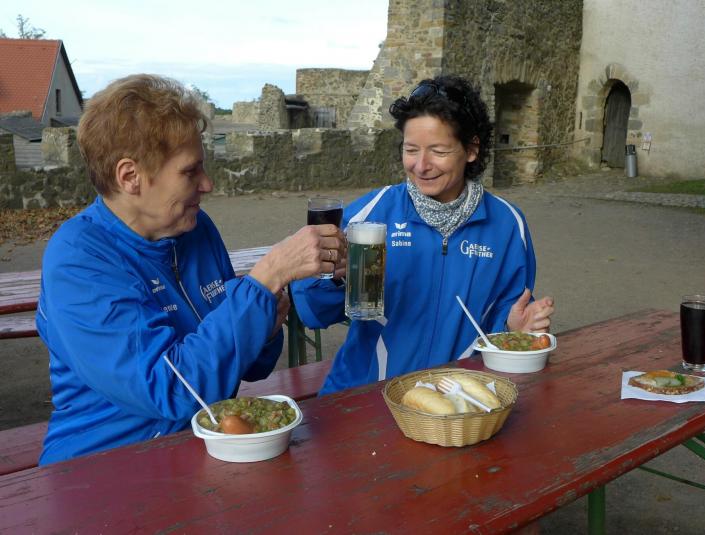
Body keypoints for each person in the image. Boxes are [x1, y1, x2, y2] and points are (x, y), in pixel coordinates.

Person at [36, 74, 345, 465]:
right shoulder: (78, 259)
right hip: (103, 465)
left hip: (208, 446)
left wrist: (265, 325)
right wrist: (265, 278)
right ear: (130, 177)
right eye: (190, 171)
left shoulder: (195, 228)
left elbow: (251, 367)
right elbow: (172, 390)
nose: (208, 184)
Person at [291, 74, 555, 395]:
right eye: (411, 149)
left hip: (454, 400)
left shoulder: (508, 225)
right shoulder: (372, 214)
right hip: (368, 395)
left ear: (471, 149)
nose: (421, 165)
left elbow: (503, 314)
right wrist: (335, 279)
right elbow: (310, 310)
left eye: (438, 151)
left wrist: (512, 328)